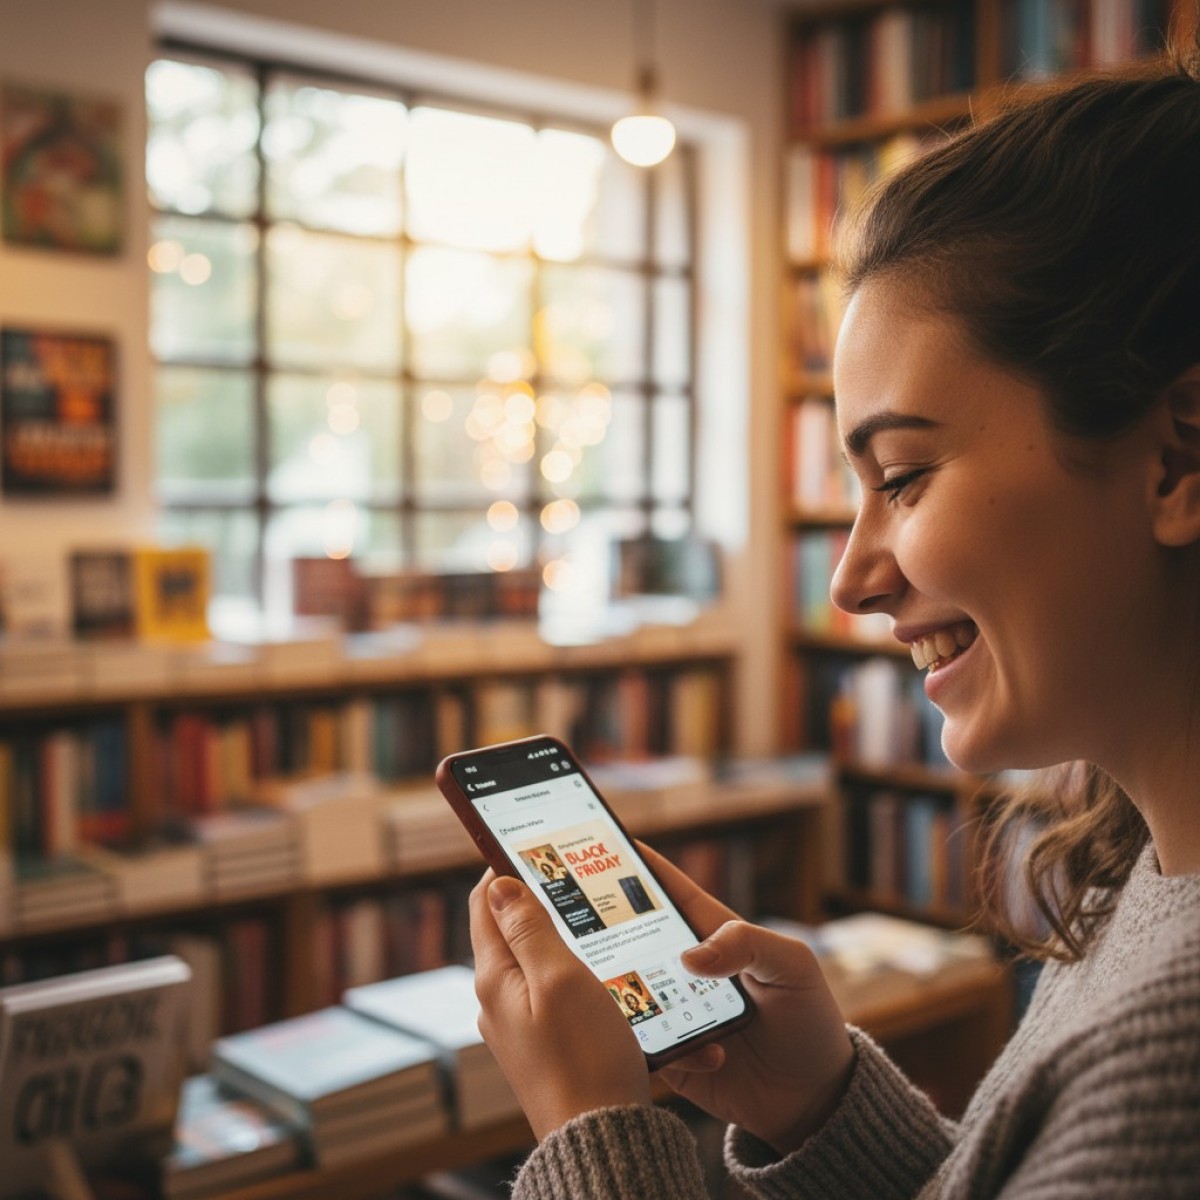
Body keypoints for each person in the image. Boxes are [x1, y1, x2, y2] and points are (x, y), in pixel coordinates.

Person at [467, 34, 1200, 1200]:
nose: (850, 581)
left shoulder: (1176, 1052)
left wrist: (593, 1135)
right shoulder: (1145, 877)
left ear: (1175, 456)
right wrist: (817, 1105)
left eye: (903, 477)